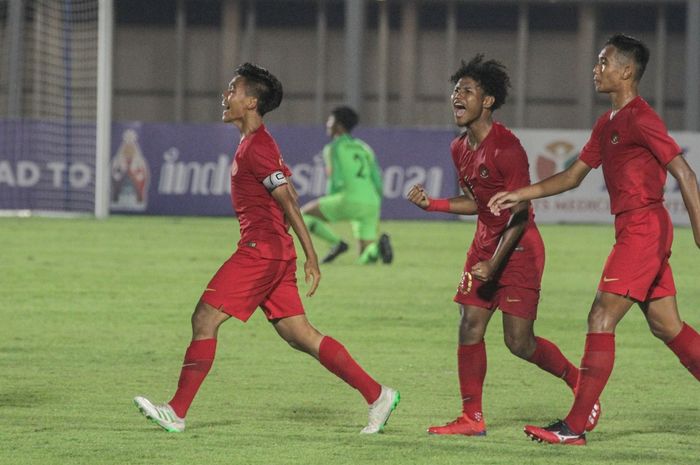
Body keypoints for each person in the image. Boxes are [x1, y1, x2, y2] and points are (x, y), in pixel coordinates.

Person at [133, 63, 399, 434]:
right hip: (274, 251)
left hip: (261, 252)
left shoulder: (257, 148)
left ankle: (176, 412)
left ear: (252, 101)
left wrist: (311, 256)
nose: (225, 96)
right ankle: (378, 395)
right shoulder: (259, 144)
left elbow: (290, 201)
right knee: (300, 334)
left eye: (233, 89)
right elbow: (289, 193)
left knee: (204, 318)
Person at [489, 34, 700, 446]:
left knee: (600, 317)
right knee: (666, 325)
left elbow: (685, 173)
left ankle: (575, 425)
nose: (596, 69)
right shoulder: (607, 123)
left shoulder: (641, 117)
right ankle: (575, 424)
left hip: (644, 229)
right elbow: (571, 177)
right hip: (634, 230)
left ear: (626, 71)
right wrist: (522, 192)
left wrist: (699, 229)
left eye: (603, 62)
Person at [406, 54, 600, 437]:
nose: (456, 97)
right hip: (483, 248)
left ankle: (578, 381)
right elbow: (476, 201)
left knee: (519, 342)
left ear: (488, 101)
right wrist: (435, 205)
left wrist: (494, 265)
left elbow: (521, 211)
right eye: (455, 90)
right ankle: (471, 418)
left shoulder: (506, 148)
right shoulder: (458, 148)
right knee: (469, 326)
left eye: (467, 91)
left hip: (519, 251)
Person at [301, 106, 393, 265]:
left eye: (330, 121)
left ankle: (336, 243)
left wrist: (332, 202)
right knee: (365, 258)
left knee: (301, 215)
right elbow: (377, 180)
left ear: (339, 125)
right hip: (372, 202)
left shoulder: (333, 148)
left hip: (348, 198)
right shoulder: (364, 148)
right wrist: (376, 203)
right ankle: (378, 248)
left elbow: (334, 179)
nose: (327, 124)